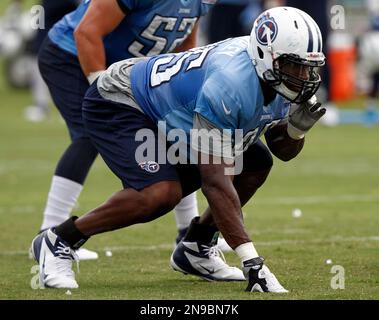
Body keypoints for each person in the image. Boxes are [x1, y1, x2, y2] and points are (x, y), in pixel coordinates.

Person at [31, 6, 326, 292]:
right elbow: (215, 182)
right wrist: (252, 260)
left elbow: (281, 150)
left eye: (308, 67)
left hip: (175, 113)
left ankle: (196, 247)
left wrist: (296, 130)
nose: (304, 76)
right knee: (158, 194)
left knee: (256, 162)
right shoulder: (231, 83)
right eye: (295, 66)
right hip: (123, 100)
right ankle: (59, 240)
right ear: (266, 55)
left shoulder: (277, 76)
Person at [35, 0, 227, 261]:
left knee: (174, 132)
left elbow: (183, 47)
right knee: (86, 136)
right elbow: (86, 32)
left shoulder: (199, 3)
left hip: (124, 71)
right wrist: (101, 90)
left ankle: (187, 232)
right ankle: (49, 230)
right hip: (70, 55)